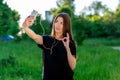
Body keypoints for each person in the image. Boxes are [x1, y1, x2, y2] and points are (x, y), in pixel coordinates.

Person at [22, 12, 77, 80]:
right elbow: (35, 36)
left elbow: (73, 66)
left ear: (66, 25)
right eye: (56, 21)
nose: (58, 25)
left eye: (61, 23)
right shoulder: (47, 40)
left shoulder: (70, 43)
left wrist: (67, 48)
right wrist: (25, 27)